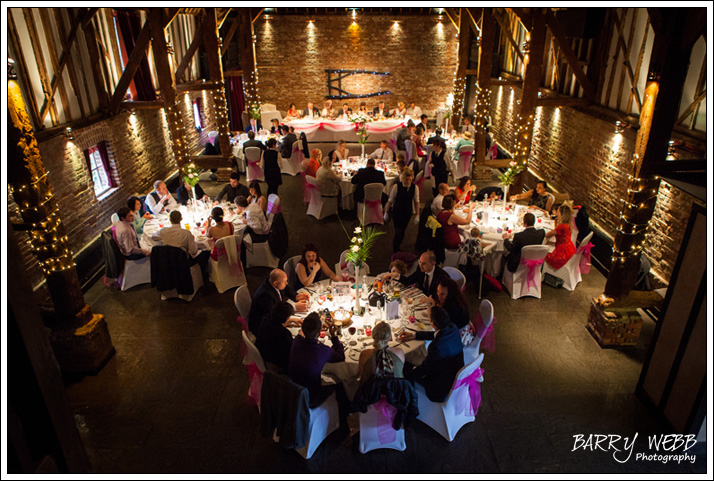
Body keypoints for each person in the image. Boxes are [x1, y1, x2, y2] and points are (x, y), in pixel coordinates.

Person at [399, 306, 464, 403]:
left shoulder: (435, 346)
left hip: (439, 388)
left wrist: (402, 376)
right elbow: (436, 334)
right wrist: (414, 335)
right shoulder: (452, 327)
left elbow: (424, 370)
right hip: (454, 373)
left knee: (405, 366)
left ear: (433, 324)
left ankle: (407, 399)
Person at [288, 312, 345, 407]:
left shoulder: (296, 342)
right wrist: (334, 337)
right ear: (319, 333)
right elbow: (340, 357)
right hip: (311, 397)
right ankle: (343, 416)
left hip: (293, 390)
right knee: (340, 384)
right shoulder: (321, 350)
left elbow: (300, 335)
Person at [249, 269, 309, 334]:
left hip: (272, 318)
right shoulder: (265, 295)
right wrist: (293, 308)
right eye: (285, 282)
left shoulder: (273, 282)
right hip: (262, 327)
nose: (287, 283)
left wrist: (296, 297)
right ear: (275, 283)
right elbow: (275, 316)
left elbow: (286, 289)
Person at [255, 301, 300, 373]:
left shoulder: (266, 318)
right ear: (285, 318)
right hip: (274, 360)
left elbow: (275, 325)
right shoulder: (283, 334)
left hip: (262, 349)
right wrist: (300, 335)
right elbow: (292, 350)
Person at [357, 321, 405, 387]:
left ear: (373, 336)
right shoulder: (400, 352)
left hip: (372, 393)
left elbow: (363, 376)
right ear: (389, 338)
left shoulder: (364, 354)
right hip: (396, 391)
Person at [384, 168, 419, 253]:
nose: (408, 181)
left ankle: (397, 246)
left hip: (407, 212)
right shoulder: (397, 187)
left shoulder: (415, 188)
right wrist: (386, 212)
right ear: (403, 178)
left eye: (410, 179)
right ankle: (395, 249)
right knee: (398, 230)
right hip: (397, 211)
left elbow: (417, 201)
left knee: (403, 230)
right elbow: (390, 200)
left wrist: (418, 215)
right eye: (407, 179)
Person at [544, 204, 577, 270]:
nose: (556, 214)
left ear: (562, 214)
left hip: (561, 252)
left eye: (558, 212)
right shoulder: (568, 224)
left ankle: (544, 270)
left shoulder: (561, 227)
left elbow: (547, 235)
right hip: (569, 249)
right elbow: (557, 230)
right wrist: (556, 220)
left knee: (543, 252)